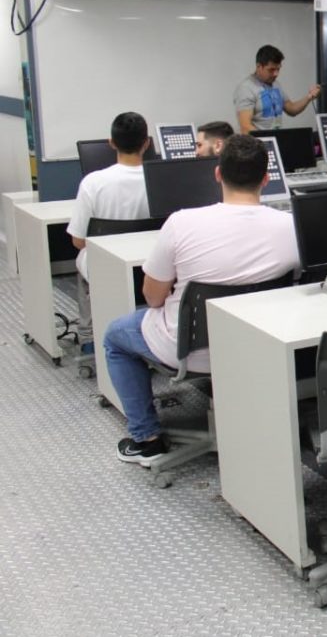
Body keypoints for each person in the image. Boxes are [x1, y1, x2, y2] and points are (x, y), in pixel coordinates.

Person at [105, 135, 300, 462]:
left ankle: (146, 438)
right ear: (266, 179)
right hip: (260, 346)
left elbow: (152, 298)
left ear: (218, 174)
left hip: (189, 353)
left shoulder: (182, 223)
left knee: (115, 335)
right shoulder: (292, 226)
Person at [66, 112, 153, 350]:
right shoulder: (159, 179)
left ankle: (89, 339)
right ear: (147, 143)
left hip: (105, 268)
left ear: (112, 143)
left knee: (82, 262)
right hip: (149, 266)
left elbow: (78, 241)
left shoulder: (93, 183)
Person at [234, 44, 321, 133]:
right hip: (258, 145)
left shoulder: (276, 84)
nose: (276, 74)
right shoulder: (246, 88)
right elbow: (245, 127)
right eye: (271, 70)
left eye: (278, 69)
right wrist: (267, 142)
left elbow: (292, 109)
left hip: (276, 140)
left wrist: (309, 97)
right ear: (259, 66)